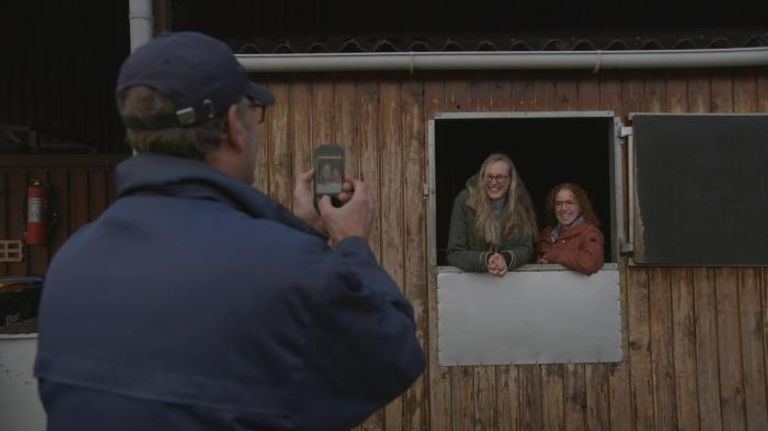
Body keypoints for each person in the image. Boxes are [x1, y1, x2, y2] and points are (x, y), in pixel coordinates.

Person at [34, 32, 424, 431]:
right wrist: (353, 240)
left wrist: (301, 229)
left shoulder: (69, 263)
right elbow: (394, 353)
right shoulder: (289, 270)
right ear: (236, 126)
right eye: (253, 110)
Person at [446, 153, 537, 276]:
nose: (493, 182)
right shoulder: (465, 201)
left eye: (499, 177)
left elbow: (526, 249)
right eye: (489, 177)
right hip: (472, 284)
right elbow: (454, 253)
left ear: (510, 180)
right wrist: (487, 259)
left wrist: (506, 258)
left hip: (511, 284)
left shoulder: (520, 204)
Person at [537, 182, 605, 275]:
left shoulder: (590, 233)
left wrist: (555, 255)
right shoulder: (546, 235)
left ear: (580, 206)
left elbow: (590, 262)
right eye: (558, 204)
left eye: (570, 203)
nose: (564, 208)